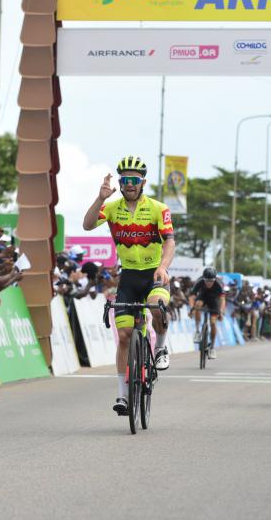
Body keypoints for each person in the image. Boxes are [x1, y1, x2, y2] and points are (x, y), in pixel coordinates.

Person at [82, 155, 175, 416]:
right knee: (123, 337)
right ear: (120, 183)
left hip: (155, 275)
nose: (129, 184)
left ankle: (160, 347)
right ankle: (123, 396)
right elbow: (87, 225)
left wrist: (163, 267)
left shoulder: (158, 208)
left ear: (143, 182)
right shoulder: (112, 208)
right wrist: (101, 198)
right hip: (129, 278)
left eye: (134, 180)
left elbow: (170, 241)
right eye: (125, 180)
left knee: (157, 308)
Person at [189, 266, 225, 359]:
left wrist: (221, 312)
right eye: (207, 281)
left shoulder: (219, 284)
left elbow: (222, 300)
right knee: (197, 305)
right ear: (203, 279)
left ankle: (212, 347)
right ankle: (197, 331)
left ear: (215, 279)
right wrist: (191, 309)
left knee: (213, 322)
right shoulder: (199, 282)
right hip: (203, 297)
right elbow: (192, 297)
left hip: (214, 300)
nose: (209, 283)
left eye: (211, 281)